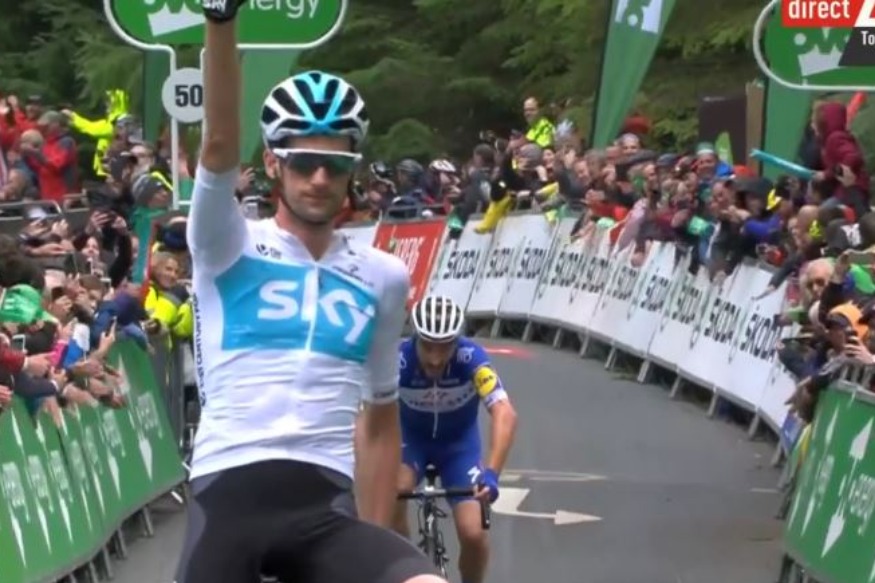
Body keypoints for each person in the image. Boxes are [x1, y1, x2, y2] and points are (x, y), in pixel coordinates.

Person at [175, 2, 442, 583]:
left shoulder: (383, 276)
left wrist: (375, 540)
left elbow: (380, 422)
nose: (319, 178)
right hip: (229, 499)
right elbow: (218, 143)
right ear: (273, 164)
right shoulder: (227, 242)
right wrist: (220, 21)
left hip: (325, 507)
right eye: (303, 162)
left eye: (335, 164)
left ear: (353, 172)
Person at [393, 295, 518, 583]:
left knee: (474, 534)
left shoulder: (471, 358)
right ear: (415, 338)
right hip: (410, 441)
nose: (435, 358)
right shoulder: (398, 361)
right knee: (394, 495)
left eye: (444, 347)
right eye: (428, 347)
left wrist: (491, 475)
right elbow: (367, 412)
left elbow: (505, 413)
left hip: (458, 447)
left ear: (456, 342)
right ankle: (408, 570)